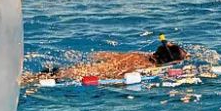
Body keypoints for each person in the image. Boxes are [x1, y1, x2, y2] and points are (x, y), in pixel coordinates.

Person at [27, 34, 188, 83]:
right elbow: (120, 76)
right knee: (35, 80)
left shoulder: (138, 54)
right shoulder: (147, 68)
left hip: (85, 66)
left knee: (38, 76)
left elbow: (101, 55)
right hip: (83, 75)